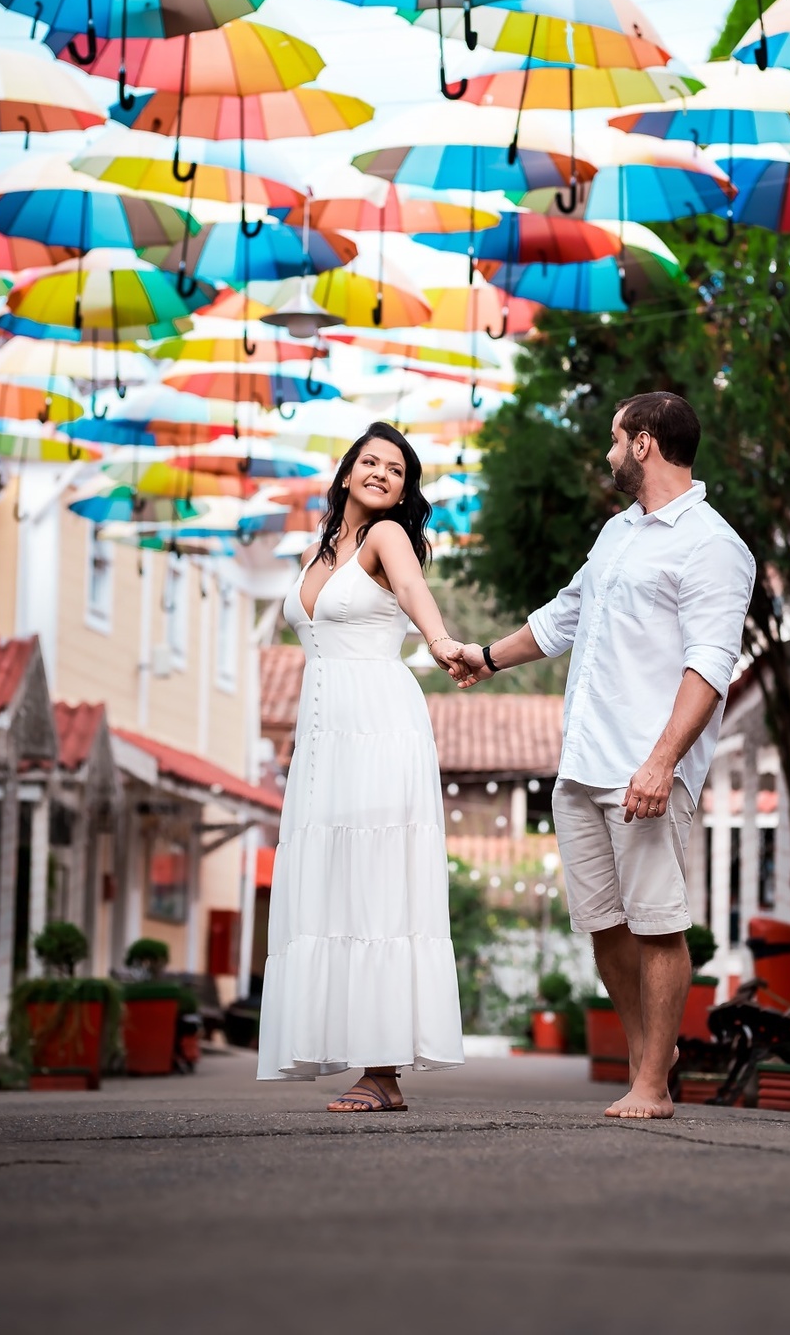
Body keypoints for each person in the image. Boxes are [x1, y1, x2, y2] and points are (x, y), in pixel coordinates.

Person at [451, 393, 755, 1120]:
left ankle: (653, 1082)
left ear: (645, 444)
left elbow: (710, 667)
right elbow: (563, 617)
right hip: (582, 760)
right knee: (605, 924)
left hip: (644, 768)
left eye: (616, 441)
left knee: (656, 921)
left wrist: (661, 763)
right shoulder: (618, 534)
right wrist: (485, 658)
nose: (609, 454)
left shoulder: (713, 544)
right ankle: (649, 1052)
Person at [257, 421, 466, 1110]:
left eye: (397, 469)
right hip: (323, 738)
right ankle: (369, 1062)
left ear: (404, 489)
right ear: (347, 473)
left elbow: (412, 591)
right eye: (370, 462)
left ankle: (383, 1071)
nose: (382, 473)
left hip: (378, 723)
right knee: (335, 884)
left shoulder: (386, 537)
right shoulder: (323, 550)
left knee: (375, 882)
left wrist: (439, 642)